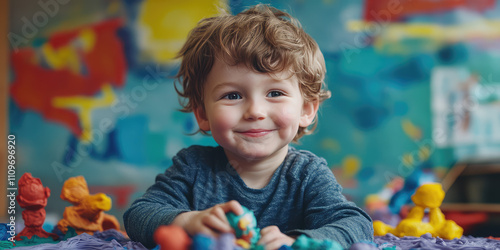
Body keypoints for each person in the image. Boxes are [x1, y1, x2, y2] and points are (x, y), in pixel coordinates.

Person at [124, 4, 373, 249]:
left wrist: (298, 242)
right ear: (202, 114)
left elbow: (356, 225)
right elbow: (138, 216)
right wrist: (189, 221)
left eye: (275, 92)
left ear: (306, 110)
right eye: (232, 96)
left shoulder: (307, 175)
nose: (255, 111)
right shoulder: (193, 168)